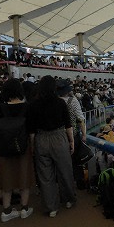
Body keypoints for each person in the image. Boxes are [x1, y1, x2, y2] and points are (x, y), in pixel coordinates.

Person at [27, 75, 76, 217]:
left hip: (41, 139)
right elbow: (68, 125)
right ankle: (68, 200)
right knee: (65, 170)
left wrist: (32, 146)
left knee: (45, 176)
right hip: (59, 138)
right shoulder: (61, 103)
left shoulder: (33, 105)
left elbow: (31, 130)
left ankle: (51, 207)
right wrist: (71, 141)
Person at [0, 79, 34, 222]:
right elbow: (31, 131)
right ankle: (24, 209)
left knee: (6, 177)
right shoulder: (27, 107)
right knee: (24, 176)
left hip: (4, 147)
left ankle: (7, 211)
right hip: (23, 146)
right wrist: (32, 147)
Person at [56, 79, 87, 190]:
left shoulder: (55, 100)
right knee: (76, 161)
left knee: (62, 163)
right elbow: (80, 118)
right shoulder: (73, 101)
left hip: (58, 135)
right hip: (72, 134)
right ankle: (79, 183)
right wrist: (84, 134)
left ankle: (65, 186)